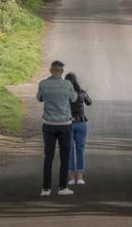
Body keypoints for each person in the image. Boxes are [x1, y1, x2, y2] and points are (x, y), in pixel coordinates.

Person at [37, 60, 78, 197]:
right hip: (65, 124)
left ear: (50, 70)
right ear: (61, 72)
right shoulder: (67, 84)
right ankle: (62, 187)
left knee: (48, 156)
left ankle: (46, 189)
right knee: (64, 157)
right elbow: (73, 98)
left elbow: (39, 98)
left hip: (48, 124)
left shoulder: (43, 84)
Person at [65, 73, 92, 186]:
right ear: (76, 81)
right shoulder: (82, 93)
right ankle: (80, 178)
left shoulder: (64, 94)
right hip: (81, 123)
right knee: (80, 150)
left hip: (68, 123)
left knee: (69, 150)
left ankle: (71, 178)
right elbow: (89, 102)